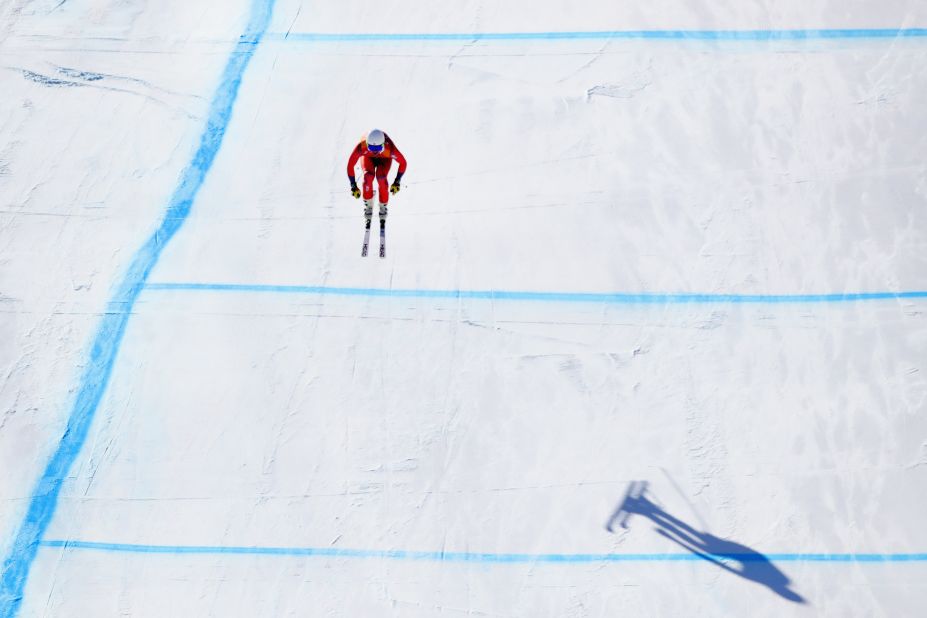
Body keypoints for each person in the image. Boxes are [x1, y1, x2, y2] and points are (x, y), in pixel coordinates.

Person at [346, 129, 407, 222]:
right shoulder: (362, 146)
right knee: (368, 177)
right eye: (371, 148)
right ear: (367, 144)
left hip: (384, 158)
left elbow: (403, 163)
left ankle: (383, 205)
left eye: (377, 149)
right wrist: (353, 186)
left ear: (383, 144)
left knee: (381, 178)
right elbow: (350, 164)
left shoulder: (389, 148)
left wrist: (397, 182)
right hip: (368, 157)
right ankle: (368, 204)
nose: (375, 152)